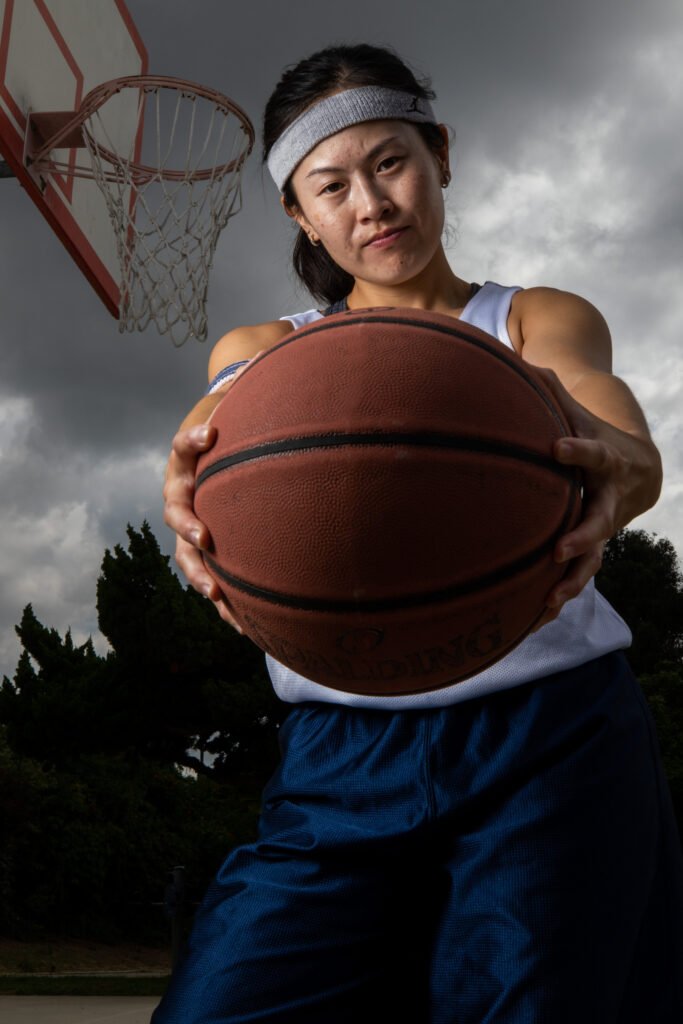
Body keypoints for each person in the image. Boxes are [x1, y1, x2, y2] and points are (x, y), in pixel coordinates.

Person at [154, 44, 683, 1024]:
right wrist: (191, 494)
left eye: (389, 161)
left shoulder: (530, 319)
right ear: (298, 212)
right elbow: (211, 453)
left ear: (438, 153)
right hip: (340, 751)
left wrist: (620, 466)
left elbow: (611, 426)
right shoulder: (266, 356)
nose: (370, 203)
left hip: (548, 736)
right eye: (332, 184)